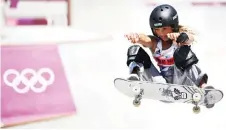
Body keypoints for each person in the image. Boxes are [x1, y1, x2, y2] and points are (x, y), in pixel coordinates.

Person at [124, 4, 209, 88]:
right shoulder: (155, 43)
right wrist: (137, 37)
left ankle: (202, 86)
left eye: (164, 28)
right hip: (162, 84)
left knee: (183, 51)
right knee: (134, 50)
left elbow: (190, 38)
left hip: (183, 83)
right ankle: (134, 78)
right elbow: (145, 38)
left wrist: (182, 37)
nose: (161, 33)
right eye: (157, 29)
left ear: (173, 26)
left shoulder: (180, 41)